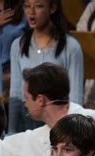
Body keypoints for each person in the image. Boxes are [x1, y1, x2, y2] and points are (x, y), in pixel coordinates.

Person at [9, 0, 83, 132]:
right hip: (26, 120)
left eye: (38, 6)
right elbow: (15, 92)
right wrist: (11, 130)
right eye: (27, 6)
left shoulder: (71, 47)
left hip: (58, 122)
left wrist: (71, 130)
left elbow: (75, 95)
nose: (31, 12)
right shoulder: (18, 45)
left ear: (52, 8)